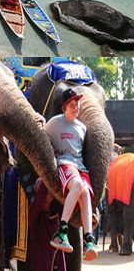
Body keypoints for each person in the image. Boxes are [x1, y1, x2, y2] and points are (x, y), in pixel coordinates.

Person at [45, 88, 98, 261]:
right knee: (77, 185)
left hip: (81, 167)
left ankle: (89, 238)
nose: (77, 108)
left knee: (85, 195)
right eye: (73, 105)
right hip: (65, 164)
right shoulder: (54, 123)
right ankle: (61, 231)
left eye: (78, 104)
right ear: (65, 107)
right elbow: (42, 139)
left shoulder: (82, 128)